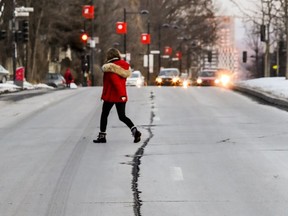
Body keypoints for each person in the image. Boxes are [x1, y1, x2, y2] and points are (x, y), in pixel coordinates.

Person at [93, 48, 141, 143]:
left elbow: (115, 82)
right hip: (121, 95)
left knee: (104, 115)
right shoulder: (124, 66)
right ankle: (134, 130)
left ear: (109, 56)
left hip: (111, 96)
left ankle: (102, 136)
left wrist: (120, 94)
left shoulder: (110, 67)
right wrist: (122, 95)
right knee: (122, 116)